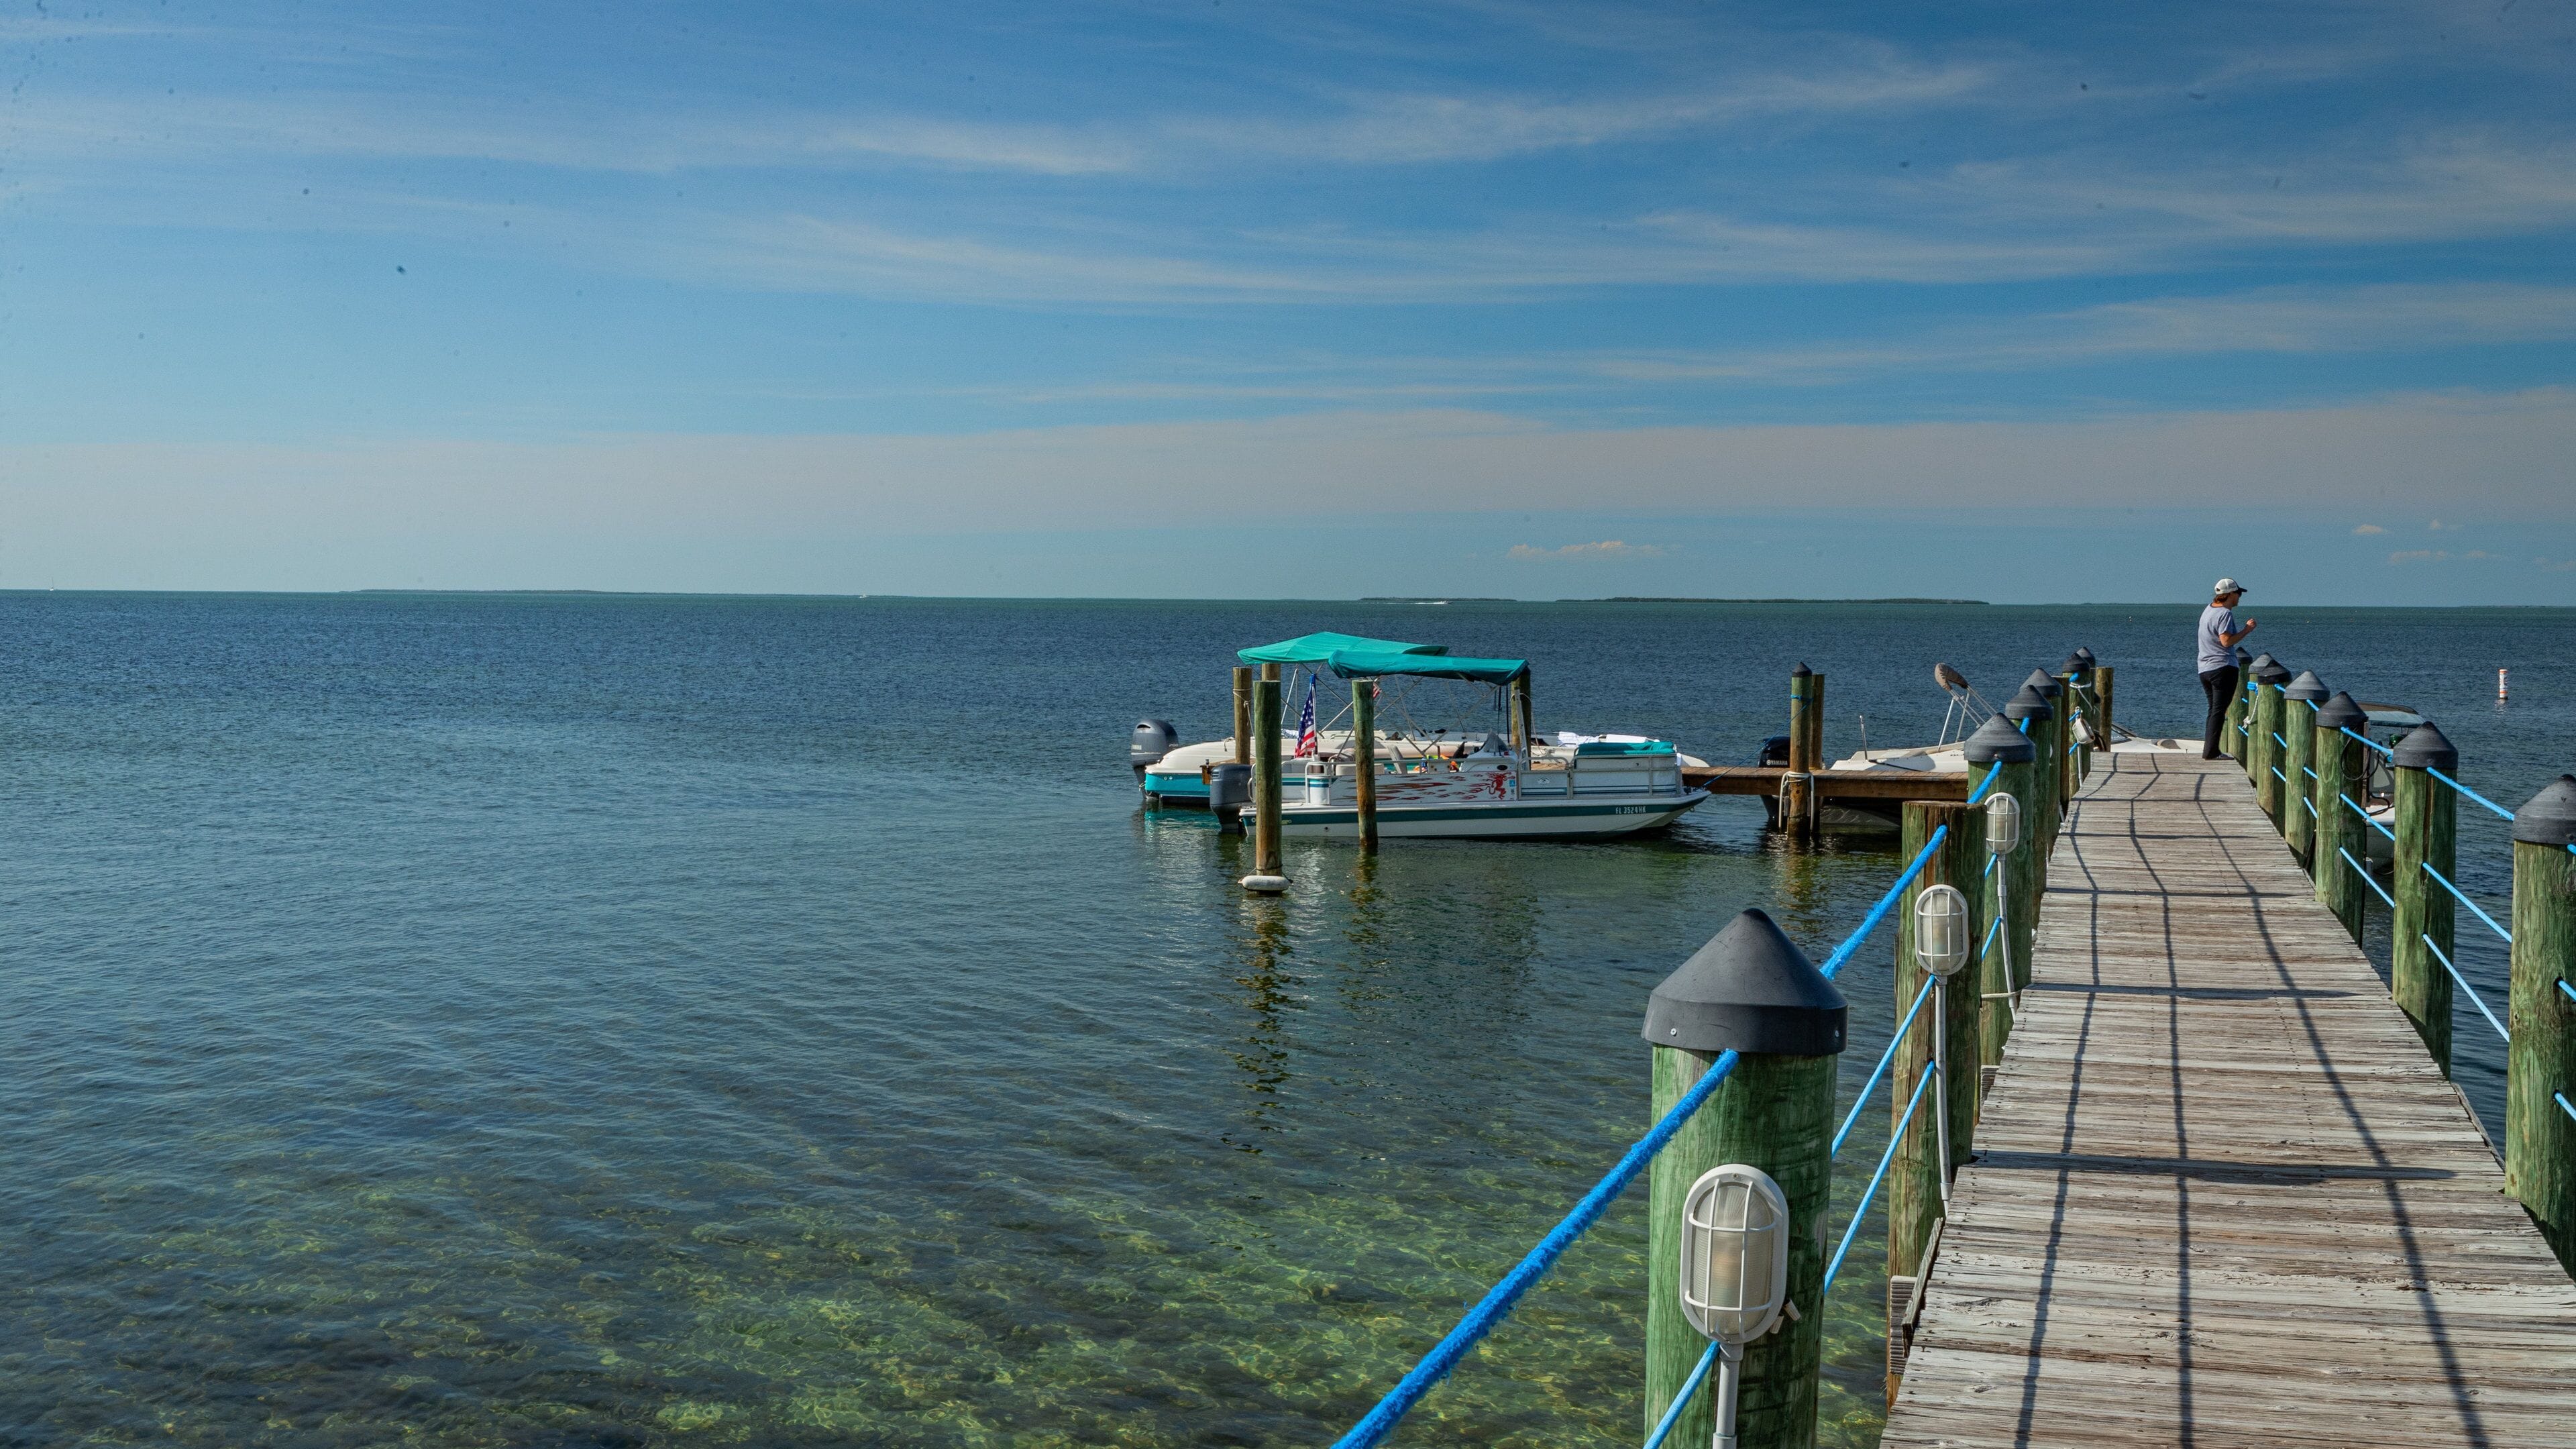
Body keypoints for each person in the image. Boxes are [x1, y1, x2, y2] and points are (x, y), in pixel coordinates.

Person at [2197, 579, 2257, 759]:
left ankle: (2210, 750)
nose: (2239, 597)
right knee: (2218, 711)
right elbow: (2226, 641)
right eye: (2238, 593)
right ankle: (2211, 752)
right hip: (2222, 667)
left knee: (2213, 710)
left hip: (2205, 668)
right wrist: (2247, 630)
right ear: (2230, 594)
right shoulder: (2224, 614)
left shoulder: (2208, 610)